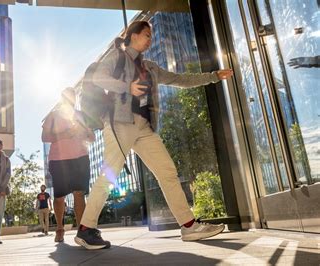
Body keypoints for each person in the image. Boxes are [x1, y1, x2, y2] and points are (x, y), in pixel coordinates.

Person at [74, 20, 234, 250]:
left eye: (151, 36)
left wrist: (213, 76)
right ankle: (85, 229)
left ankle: (188, 226)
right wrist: (126, 86)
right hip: (119, 123)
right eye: (147, 35)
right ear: (133, 35)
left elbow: (180, 80)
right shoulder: (116, 56)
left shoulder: (150, 67)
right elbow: (97, 78)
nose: (150, 40)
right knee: (109, 176)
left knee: (167, 171)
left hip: (143, 128)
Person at [42, 87, 95, 242]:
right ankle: (59, 228)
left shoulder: (81, 116)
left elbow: (91, 137)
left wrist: (85, 133)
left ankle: (82, 231)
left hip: (81, 157)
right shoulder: (53, 115)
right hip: (59, 160)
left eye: (73, 97)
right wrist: (64, 134)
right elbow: (44, 136)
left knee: (79, 193)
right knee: (59, 197)